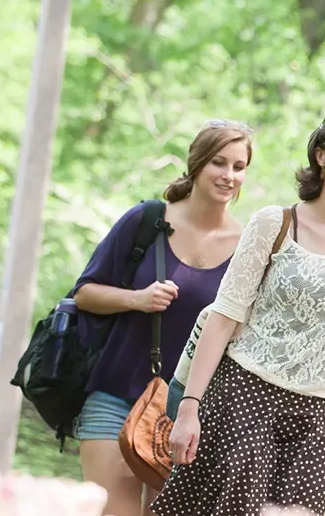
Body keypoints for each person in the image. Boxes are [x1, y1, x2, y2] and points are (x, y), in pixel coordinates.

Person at [152, 105, 325, 516]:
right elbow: (224, 315)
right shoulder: (274, 223)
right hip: (243, 397)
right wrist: (189, 406)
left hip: (317, 418)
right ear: (321, 155)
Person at [72, 120, 252, 516]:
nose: (229, 175)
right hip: (115, 396)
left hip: (188, 415)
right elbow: (85, 294)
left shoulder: (248, 246)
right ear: (197, 163)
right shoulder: (146, 221)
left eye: (239, 167)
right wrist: (137, 299)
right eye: (219, 163)